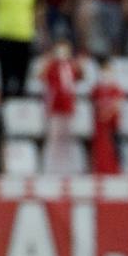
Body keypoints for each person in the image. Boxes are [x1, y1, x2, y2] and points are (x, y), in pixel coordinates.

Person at [40, 39, 83, 174]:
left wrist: (78, 64)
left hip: (68, 106)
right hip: (55, 106)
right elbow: (42, 76)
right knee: (54, 137)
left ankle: (70, 166)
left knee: (69, 137)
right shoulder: (52, 66)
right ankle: (50, 166)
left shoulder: (71, 66)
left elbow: (81, 76)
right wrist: (47, 62)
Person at [90, 58, 125, 175]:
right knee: (99, 148)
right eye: (103, 72)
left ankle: (115, 169)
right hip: (99, 125)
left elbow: (118, 105)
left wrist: (107, 113)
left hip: (112, 125)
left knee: (113, 148)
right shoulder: (96, 89)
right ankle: (99, 169)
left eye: (108, 72)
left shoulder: (116, 89)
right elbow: (94, 104)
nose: (105, 75)